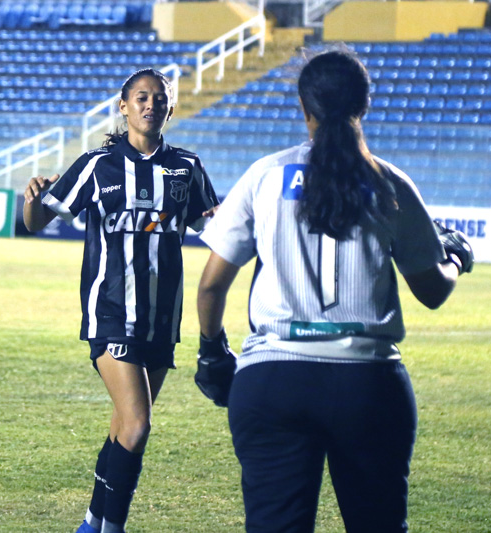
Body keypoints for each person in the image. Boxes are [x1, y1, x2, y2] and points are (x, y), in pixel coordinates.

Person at [195, 50, 473, 532]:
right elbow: (431, 291)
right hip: (368, 385)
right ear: (363, 107)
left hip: (272, 381)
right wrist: (455, 259)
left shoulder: (264, 175)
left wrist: (212, 353)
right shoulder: (390, 184)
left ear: (304, 109)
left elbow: (212, 285)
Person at [23, 68, 219, 533]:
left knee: (122, 426)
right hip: (111, 313)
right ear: (124, 106)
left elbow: (212, 229)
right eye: (141, 98)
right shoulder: (98, 164)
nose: (150, 105)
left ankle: (93, 520)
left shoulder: (187, 167)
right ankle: (112, 528)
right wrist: (31, 198)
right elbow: (36, 220)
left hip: (161, 320)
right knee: (137, 425)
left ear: (171, 108)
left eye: (159, 98)